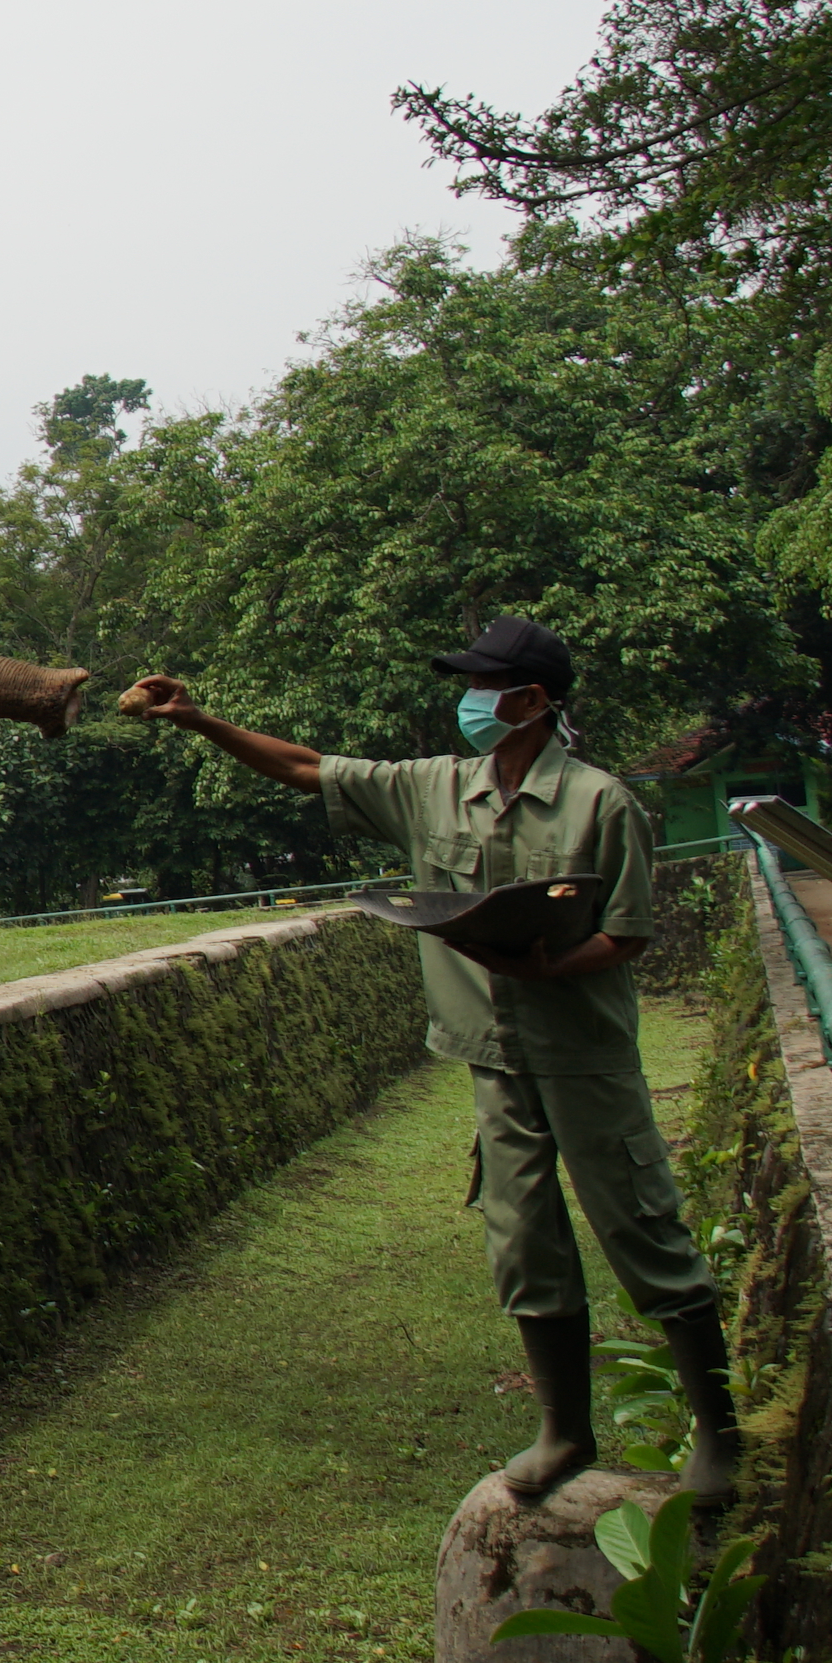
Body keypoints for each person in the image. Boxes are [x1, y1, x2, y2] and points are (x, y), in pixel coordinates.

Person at [130, 616, 739, 1502]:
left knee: (641, 1227)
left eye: (487, 687)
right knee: (523, 1235)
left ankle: (721, 1439)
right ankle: (564, 1432)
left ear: (534, 702)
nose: (471, 702)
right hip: (491, 1053)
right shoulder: (434, 789)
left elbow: (628, 933)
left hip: (581, 1054)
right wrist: (198, 720)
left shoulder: (600, 802)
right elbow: (308, 768)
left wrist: (548, 966)